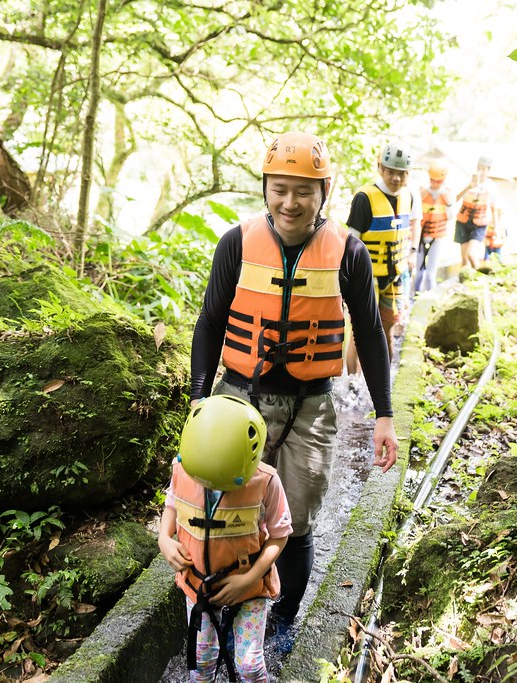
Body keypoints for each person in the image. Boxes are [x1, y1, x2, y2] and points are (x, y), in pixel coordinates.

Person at [189, 131, 399, 648]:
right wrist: (198, 400)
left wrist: (384, 415)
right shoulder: (236, 242)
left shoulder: (347, 251)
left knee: (297, 521)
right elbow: (211, 322)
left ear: (323, 191)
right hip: (236, 397)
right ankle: (222, 615)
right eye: (280, 188)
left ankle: (280, 628)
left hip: (311, 405)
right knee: (221, 510)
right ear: (266, 187)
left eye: (303, 190)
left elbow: (370, 333)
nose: (290, 202)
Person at [159, 395, 292, 682]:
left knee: (249, 666)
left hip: (249, 584)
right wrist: (163, 539)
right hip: (200, 587)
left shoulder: (266, 481)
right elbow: (173, 502)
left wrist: (249, 578)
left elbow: (280, 536)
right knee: (202, 663)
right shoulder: (184, 467)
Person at [344, 141, 422, 365]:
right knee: (360, 336)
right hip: (367, 279)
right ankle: (352, 386)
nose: (396, 178)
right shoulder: (364, 199)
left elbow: (414, 226)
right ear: (381, 169)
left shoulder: (409, 197)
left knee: (388, 332)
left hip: (395, 276)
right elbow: (351, 243)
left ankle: (384, 382)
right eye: (391, 172)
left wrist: (412, 253)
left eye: (401, 173)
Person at [454, 155, 500, 271]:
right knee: (464, 260)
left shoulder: (491, 186)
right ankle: (465, 285)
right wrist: (468, 187)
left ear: (488, 170)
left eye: (484, 169)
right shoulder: (467, 181)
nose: (481, 171)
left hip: (479, 224)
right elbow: (454, 199)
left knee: (470, 253)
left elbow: (494, 208)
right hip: (463, 222)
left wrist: (496, 227)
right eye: (479, 168)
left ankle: (481, 275)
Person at [413, 161, 453, 293]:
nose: (435, 184)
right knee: (419, 273)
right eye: (432, 180)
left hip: (437, 237)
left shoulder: (446, 194)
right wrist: (419, 198)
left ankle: (430, 300)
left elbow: (450, 216)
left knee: (430, 275)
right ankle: (414, 298)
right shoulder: (421, 192)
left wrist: (448, 202)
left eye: (438, 181)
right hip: (421, 237)